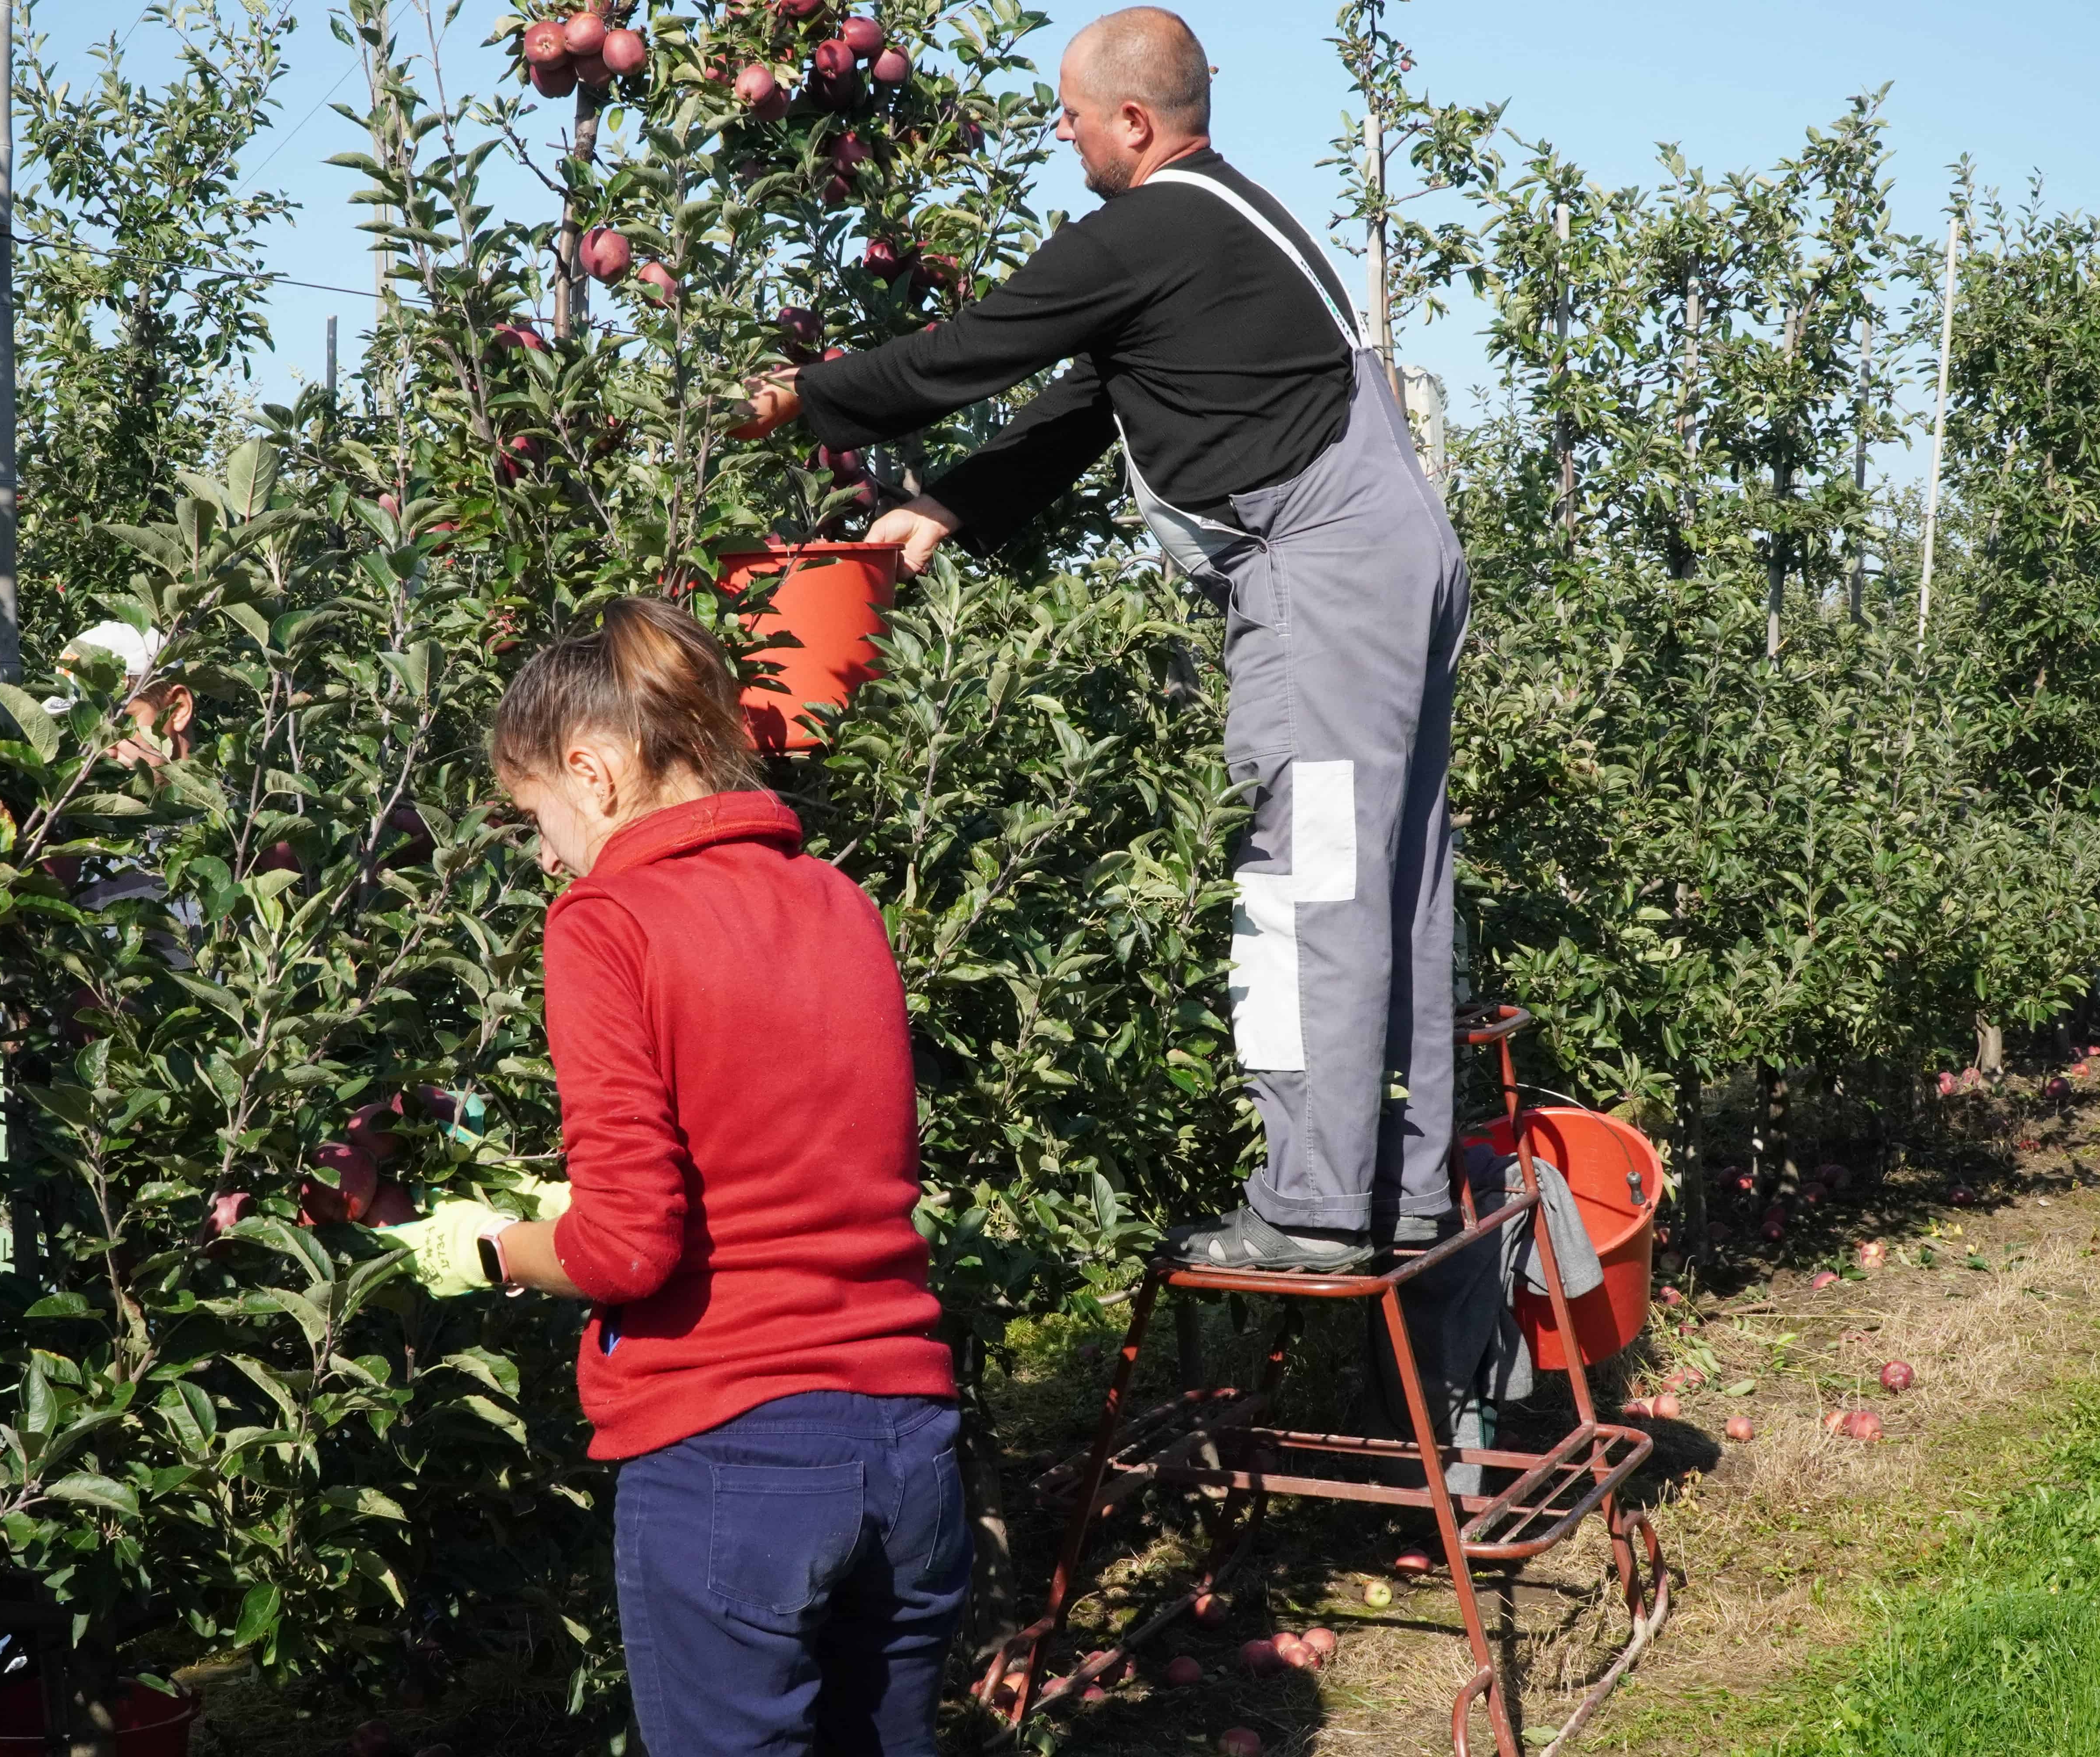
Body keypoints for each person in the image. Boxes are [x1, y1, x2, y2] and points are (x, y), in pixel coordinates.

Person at [732, 7, 1470, 1273]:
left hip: (1325, 577)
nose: (1061, 132)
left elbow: (957, 357)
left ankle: (1314, 1206)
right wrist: (951, 505)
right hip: (1393, 556)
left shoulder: (1152, 227)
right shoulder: (1235, 223)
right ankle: (1394, 1189)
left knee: (1312, 877)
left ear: (1135, 121)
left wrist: (801, 397)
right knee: (1395, 876)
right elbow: (1090, 405)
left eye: (1072, 113)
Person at [384, 598, 969, 1757]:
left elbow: (630, 1250)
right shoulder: (837, 901)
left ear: (593, 772)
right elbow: (797, 1155)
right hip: (911, 1448)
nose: (545, 854)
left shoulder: (605, 921)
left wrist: (491, 1248)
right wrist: (575, 1199)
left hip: (733, 1452)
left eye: (534, 817)